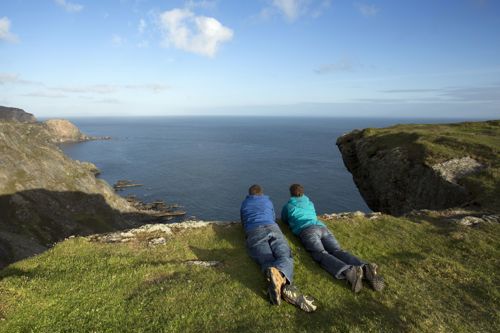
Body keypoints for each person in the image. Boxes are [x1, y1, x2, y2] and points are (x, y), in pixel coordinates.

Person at [281, 184, 385, 293]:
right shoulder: (309, 203)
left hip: (308, 231)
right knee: (337, 251)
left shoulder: (289, 206)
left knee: (321, 253)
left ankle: (349, 271)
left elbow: (284, 219)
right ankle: (365, 267)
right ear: (303, 193)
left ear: (291, 194)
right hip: (322, 228)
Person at [240, 184, 317, 312]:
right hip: (272, 227)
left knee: (266, 259)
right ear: (261, 193)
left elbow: (244, 222)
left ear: (249, 194)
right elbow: (274, 216)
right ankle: (283, 280)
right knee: (285, 254)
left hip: (254, 231)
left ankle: (276, 280)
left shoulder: (245, 204)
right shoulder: (268, 201)